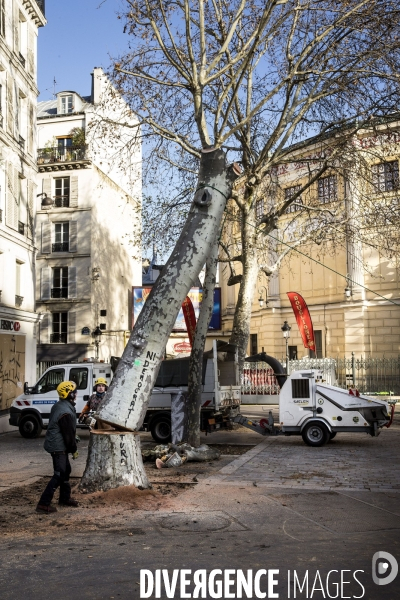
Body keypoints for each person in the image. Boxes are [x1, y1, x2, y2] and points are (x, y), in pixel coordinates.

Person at [36, 381, 79, 514]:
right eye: (74, 392)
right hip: (58, 446)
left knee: (66, 470)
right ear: (69, 394)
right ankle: (43, 504)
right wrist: (74, 449)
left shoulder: (61, 405)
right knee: (60, 473)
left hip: (58, 444)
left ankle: (64, 498)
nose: (76, 394)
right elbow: (67, 434)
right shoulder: (65, 411)